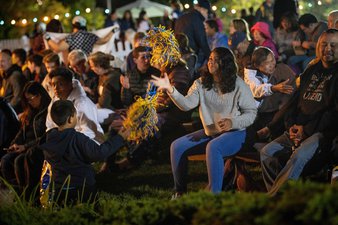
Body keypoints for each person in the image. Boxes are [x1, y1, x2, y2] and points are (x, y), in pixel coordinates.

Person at [151, 47, 257, 196]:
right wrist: (170, 89)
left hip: (236, 132)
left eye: (215, 60)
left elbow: (251, 113)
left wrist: (232, 122)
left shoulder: (238, 85)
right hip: (213, 131)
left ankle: (213, 196)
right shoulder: (201, 83)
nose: (210, 62)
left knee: (213, 147)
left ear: (225, 63)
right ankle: (180, 192)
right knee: (177, 146)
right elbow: (186, 105)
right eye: (210, 59)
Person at [259, 29, 338, 196]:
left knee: (299, 156)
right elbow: (294, 101)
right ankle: (283, 198)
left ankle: (273, 201)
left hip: (320, 132)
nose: (328, 49)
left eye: (333, 45)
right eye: (324, 44)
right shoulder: (311, 69)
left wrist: (306, 131)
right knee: (267, 153)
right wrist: (292, 125)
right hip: (298, 127)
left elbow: (333, 114)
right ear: (318, 46)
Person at [41, 100, 129, 204]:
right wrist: (120, 138)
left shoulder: (49, 138)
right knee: (89, 215)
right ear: (70, 119)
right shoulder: (78, 139)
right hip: (82, 188)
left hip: (60, 189)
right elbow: (99, 153)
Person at [1, 82, 50, 190]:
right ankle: (15, 190)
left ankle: (27, 193)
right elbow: (22, 131)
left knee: (19, 161)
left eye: (31, 98)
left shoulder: (47, 111)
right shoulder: (30, 112)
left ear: (39, 96)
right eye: (27, 99)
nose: (29, 102)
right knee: (5, 160)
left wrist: (25, 146)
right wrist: (14, 143)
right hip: (24, 147)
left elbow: (46, 136)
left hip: (36, 148)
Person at [244, 47, 295, 137]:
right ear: (257, 65)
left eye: (273, 60)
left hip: (273, 109)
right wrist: (273, 88)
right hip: (255, 114)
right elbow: (256, 90)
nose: (272, 64)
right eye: (267, 63)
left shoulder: (280, 69)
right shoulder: (250, 76)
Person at [46, 67, 104, 144]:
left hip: (87, 144)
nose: (56, 88)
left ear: (70, 84)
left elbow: (89, 132)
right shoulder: (55, 101)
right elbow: (50, 125)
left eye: (60, 84)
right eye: (54, 84)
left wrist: (66, 141)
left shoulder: (82, 103)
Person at [45, 16, 115, 56]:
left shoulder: (71, 37)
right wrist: (113, 31)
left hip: (74, 65)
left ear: (73, 25)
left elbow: (58, 48)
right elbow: (104, 40)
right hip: (88, 64)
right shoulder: (90, 36)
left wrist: (48, 38)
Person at [174, 0, 211, 69]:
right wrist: (210, 57)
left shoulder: (182, 17)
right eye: (207, 12)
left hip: (178, 53)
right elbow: (202, 41)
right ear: (202, 9)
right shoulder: (197, 19)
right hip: (190, 55)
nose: (207, 15)